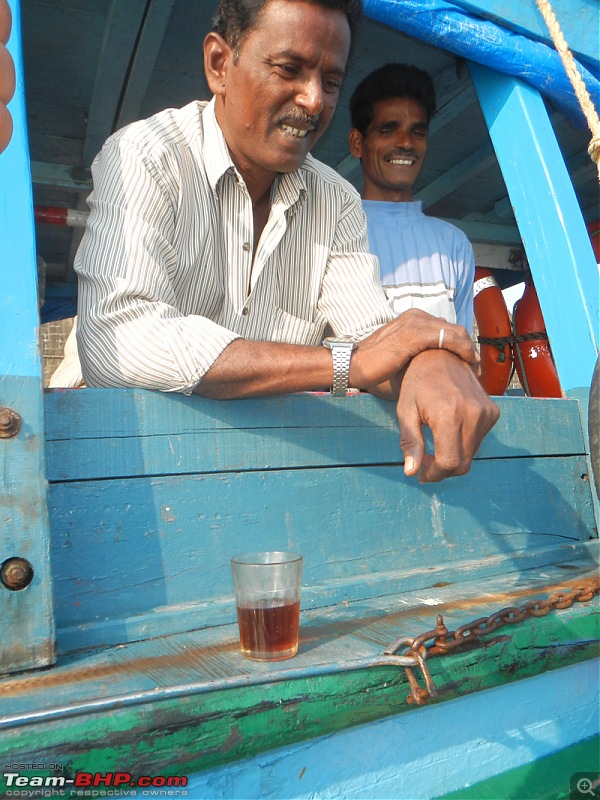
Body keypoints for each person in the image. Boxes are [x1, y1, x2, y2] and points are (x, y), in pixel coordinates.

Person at [51, 0, 498, 483]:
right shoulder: (144, 155)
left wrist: (428, 357)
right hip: (107, 465)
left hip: (260, 474)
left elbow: (371, 336)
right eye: (289, 69)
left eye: (330, 82)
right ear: (220, 64)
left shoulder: (337, 201)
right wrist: (348, 363)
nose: (313, 100)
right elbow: (119, 340)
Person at [348, 62, 475, 330]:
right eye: (388, 130)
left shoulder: (454, 245)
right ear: (358, 143)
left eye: (417, 132)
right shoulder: (336, 236)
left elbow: (461, 359)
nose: (406, 143)